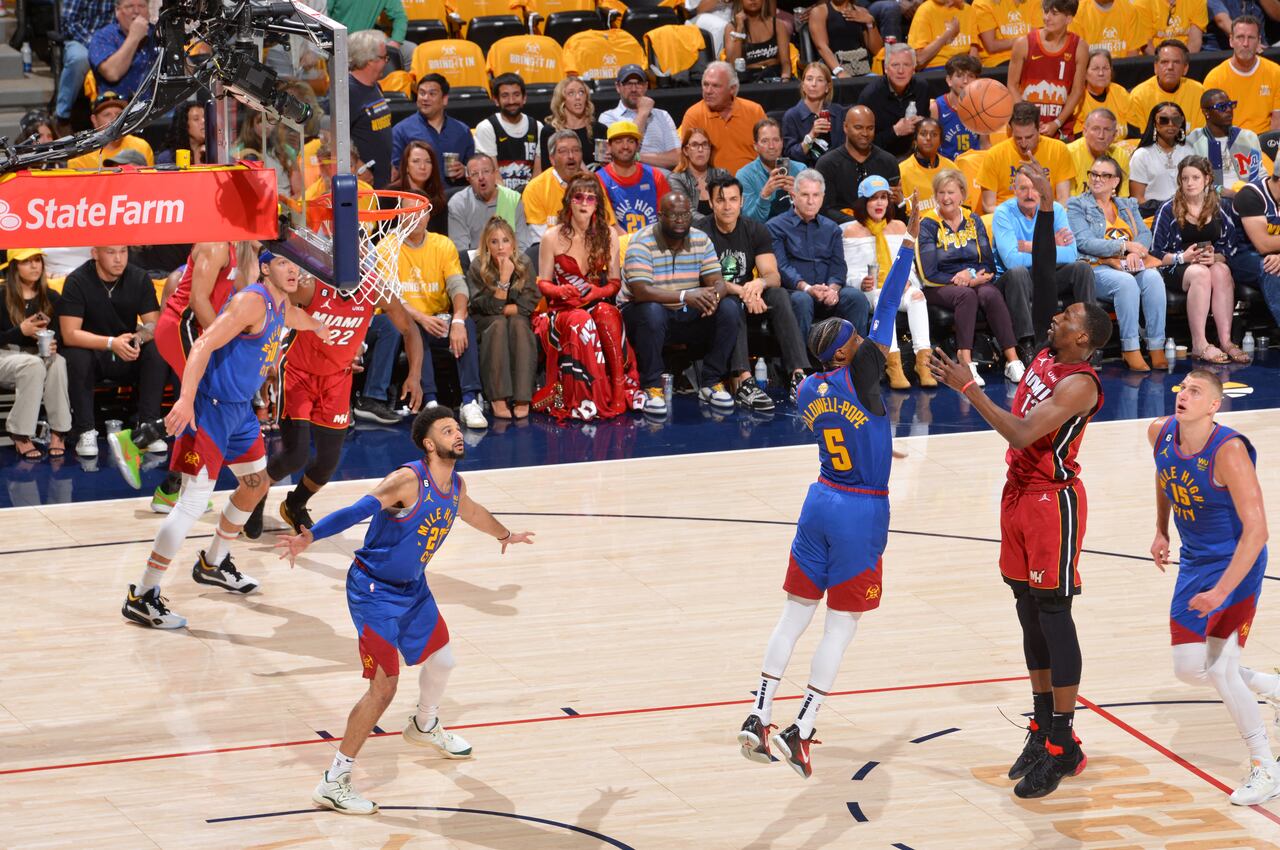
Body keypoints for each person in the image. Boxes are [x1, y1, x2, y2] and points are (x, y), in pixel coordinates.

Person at [930, 173, 1114, 797]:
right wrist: (1042, 202)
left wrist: (969, 386)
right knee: (1026, 609)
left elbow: (1019, 432)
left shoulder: (1079, 383)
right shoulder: (1044, 350)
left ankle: (1065, 741)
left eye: (1067, 314)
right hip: (1016, 497)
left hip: (1052, 503)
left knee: (1055, 615)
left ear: (1082, 337)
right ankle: (1041, 724)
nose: (1055, 313)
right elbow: (1038, 273)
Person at [738, 202, 923, 778]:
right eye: (853, 335)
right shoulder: (863, 369)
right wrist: (908, 247)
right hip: (860, 512)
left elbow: (846, 421)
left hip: (819, 498)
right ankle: (805, 726)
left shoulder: (808, 389)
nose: (860, 332)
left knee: (794, 614)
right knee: (841, 626)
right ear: (847, 351)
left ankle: (757, 714)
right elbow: (887, 304)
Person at [275, 406, 534, 815]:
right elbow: (357, 510)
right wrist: (311, 535)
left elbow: (472, 513)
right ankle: (334, 781)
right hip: (373, 592)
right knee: (384, 687)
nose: (458, 434)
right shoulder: (408, 479)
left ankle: (424, 724)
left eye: (457, 428)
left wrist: (505, 534)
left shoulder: (456, 485)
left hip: (413, 590)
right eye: (448, 430)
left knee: (443, 659)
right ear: (430, 444)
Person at [119, 251, 330, 630]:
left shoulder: (282, 305)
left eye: (294, 264)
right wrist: (185, 399)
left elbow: (295, 318)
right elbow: (201, 346)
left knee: (256, 484)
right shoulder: (251, 301)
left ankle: (213, 562)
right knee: (192, 504)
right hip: (212, 410)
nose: (293, 270)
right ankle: (142, 594)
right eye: (283, 263)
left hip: (241, 413)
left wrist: (320, 326)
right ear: (265, 268)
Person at [1148, 370, 1279, 806]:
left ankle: (1265, 767)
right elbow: (1165, 475)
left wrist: (1223, 592)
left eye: (1195, 391)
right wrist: (1160, 529)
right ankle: (1270, 686)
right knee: (1188, 668)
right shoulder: (1159, 432)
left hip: (1238, 566)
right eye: (1182, 388)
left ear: (1213, 406)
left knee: (1222, 669)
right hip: (1195, 565)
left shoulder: (1230, 452)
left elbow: (1258, 531)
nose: (1184, 395)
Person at [237, 271, 425, 540]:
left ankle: (295, 504)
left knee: (327, 462)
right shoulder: (312, 286)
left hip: (337, 378)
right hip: (298, 373)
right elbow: (274, 306)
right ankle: (256, 494)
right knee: (296, 454)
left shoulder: (374, 289)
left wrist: (415, 376)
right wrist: (269, 356)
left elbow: (409, 328)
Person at [534, 175, 644, 419]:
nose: (584, 202)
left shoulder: (609, 235)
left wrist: (598, 292)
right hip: (560, 311)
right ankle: (582, 397)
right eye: (578, 197)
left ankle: (618, 389)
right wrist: (559, 290)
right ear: (568, 201)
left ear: (597, 204)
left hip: (595, 304)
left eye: (590, 198)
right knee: (580, 320)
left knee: (608, 313)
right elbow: (543, 283)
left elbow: (615, 283)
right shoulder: (551, 237)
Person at [620, 191, 741, 414]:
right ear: (660, 216)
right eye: (673, 215)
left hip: (684, 313)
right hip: (642, 315)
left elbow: (718, 282)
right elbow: (641, 291)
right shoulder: (641, 242)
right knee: (652, 311)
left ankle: (711, 381)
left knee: (730, 308)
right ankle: (652, 386)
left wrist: (713, 298)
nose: (680, 220)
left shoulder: (700, 239)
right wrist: (687, 295)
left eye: (685, 215)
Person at [696, 174, 799, 409]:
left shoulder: (755, 230)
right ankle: (743, 379)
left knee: (780, 294)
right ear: (710, 203)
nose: (727, 206)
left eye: (733, 199)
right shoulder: (700, 232)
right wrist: (743, 291)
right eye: (720, 200)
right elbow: (709, 281)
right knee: (731, 302)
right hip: (715, 301)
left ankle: (797, 375)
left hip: (749, 296)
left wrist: (759, 284)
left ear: (742, 201)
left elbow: (773, 276)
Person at [58, 245, 167, 459]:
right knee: (76, 354)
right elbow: (69, 333)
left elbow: (154, 325)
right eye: (110, 253)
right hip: (93, 353)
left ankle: (147, 428)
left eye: (123, 252)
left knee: (157, 348)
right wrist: (110, 343)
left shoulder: (139, 277)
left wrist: (137, 338)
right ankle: (85, 430)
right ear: (95, 253)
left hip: (125, 351)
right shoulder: (77, 280)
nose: (119, 259)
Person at [390, 196, 489, 429]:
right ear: (400, 216)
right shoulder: (388, 246)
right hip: (405, 321)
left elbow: (457, 285)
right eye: (410, 212)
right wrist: (422, 318)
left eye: (421, 212)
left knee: (467, 324)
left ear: (428, 215)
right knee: (414, 329)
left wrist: (457, 320)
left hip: (437, 318)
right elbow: (389, 297)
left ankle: (469, 401)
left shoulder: (443, 244)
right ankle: (431, 403)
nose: (416, 218)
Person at [918, 169, 1024, 385]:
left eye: (951, 192)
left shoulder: (974, 220)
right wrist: (960, 278)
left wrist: (972, 277)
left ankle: (1012, 361)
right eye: (940, 193)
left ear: (962, 194)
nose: (946, 198)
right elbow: (928, 273)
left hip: (973, 280)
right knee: (966, 296)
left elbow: (987, 263)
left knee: (990, 293)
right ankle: (966, 364)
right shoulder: (927, 224)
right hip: (938, 284)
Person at [1067, 154, 1170, 370]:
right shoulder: (1078, 205)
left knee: (1153, 278)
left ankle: (1156, 346)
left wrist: (1136, 252)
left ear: (1115, 182)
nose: (1097, 179)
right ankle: (1130, 348)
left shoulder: (1127, 204)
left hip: (1127, 264)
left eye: (1104, 175)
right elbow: (1084, 242)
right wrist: (1124, 247)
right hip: (1095, 267)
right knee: (1126, 283)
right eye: (1094, 174)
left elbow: (1144, 234)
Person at [1150, 155, 1247, 363]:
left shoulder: (1220, 207)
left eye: (1195, 177)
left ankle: (1226, 341)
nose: (1190, 183)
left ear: (1207, 179)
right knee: (1201, 273)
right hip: (1173, 267)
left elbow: (1229, 247)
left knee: (1221, 271)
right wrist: (1182, 257)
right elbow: (1155, 253)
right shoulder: (1168, 209)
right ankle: (1199, 343)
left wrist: (1216, 257)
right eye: (1185, 178)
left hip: (1207, 264)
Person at [845, 176, 936, 388]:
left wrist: (909, 281)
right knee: (882, 299)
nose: (880, 203)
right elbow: (849, 273)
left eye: (884, 198)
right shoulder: (852, 231)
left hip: (896, 287)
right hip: (871, 291)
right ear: (863, 202)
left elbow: (910, 266)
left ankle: (923, 363)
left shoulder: (898, 226)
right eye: (873, 198)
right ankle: (893, 365)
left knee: (917, 296)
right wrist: (861, 282)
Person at [994, 166, 1095, 355]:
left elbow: (1071, 254)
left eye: (1034, 188)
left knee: (1082, 269)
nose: (1030, 194)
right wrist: (1050, 245)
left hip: (1047, 273)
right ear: (1014, 190)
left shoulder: (1055, 209)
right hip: (1019, 281)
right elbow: (1012, 260)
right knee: (1018, 273)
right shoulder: (1003, 213)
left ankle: (1087, 337)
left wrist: (1029, 246)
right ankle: (1027, 345)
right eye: (1023, 188)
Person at [770, 169, 872, 343]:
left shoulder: (831, 228)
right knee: (802, 301)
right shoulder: (776, 226)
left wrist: (832, 290)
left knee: (857, 298)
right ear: (793, 196)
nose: (811, 201)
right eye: (805, 195)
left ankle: (855, 364)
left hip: (827, 293)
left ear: (823, 197)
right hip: (796, 292)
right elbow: (782, 267)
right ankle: (803, 366)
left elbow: (839, 266)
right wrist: (808, 288)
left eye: (816, 195)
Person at [0, 248, 70, 460]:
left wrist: (53, 343)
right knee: (32, 364)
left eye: (37, 260)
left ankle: (59, 431)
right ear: (14, 267)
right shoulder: (1, 295)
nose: (34, 266)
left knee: (58, 361)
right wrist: (19, 332)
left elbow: (64, 335)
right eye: (26, 261)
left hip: (35, 356)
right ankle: (20, 433)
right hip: (4, 355)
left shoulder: (51, 297)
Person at [469, 218, 541, 420]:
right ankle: (498, 398)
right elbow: (482, 307)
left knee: (518, 323)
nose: (501, 247)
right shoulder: (477, 266)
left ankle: (522, 397)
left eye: (505, 240)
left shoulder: (524, 263)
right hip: (485, 323)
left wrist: (501, 307)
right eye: (494, 242)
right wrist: (503, 280)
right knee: (499, 324)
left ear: (513, 243)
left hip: (513, 318)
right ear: (486, 245)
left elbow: (528, 304)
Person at [1008, 0, 1087, 139]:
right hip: (1025, 127)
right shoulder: (1023, 43)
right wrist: (1028, 119)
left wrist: (1057, 123)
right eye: (1045, 11)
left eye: (1054, 13)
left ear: (1068, 18)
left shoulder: (1080, 47)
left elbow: (1077, 91)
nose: (1047, 17)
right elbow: (1012, 85)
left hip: (1060, 127)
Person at [978, 102, 1075, 210]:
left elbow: (1063, 199)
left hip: (1045, 215)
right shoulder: (994, 155)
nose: (1024, 144)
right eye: (1018, 138)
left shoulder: (1058, 150)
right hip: (1008, 218)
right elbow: (988, 206)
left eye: (1029, 137)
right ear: (1011, 130)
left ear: (1039, 128)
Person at [523, 130, 613, 243]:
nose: (571, 156)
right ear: (552, 159)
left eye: (576, 150)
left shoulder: (594, 184)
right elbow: (540, 241)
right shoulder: (535, 188)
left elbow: (607, 228)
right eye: (563, 151)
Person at [679, 62, 768, 176]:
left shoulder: (754, 111)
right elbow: (688, 160)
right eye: (705, 84)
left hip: (752, 183)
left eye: (715, 86)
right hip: (712, 185)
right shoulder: (694, 115)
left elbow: (769, 151)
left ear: (732, 89)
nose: (708, 91)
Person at [816, 106, 901, 224]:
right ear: (845, 127)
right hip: (842, 234)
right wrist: (861, 224)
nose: (865, 133)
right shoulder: (827, 164)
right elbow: (825, 209)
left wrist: (900, 203)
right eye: (858, 127)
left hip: (883, 232)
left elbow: (896, 211)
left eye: (870, 128)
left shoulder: (889, 162)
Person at [390, 74, 474, 190]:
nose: (425, 98)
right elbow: (396, 172)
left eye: (432, 94)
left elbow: (473, 167)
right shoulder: (401, 130)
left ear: (444, 99)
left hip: (455, 197)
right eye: (422, 93)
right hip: (418, 199)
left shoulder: (462, 131)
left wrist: (464, 170)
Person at [1203, 15, 1280, 135]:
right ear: (1231, 40)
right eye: (1240, 37)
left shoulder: (1275, 72)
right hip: (1230, 143)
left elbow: (1277, 121)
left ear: (1259, 41)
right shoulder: (1215, 78)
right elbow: (1213, 125)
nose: (1245, 43)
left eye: (1251, 37)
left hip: (1265, 144)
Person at [448, 154, 534, 258]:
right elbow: (461, 252)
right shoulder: (458, 203)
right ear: (469, 179)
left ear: (495, 173)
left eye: (486, 171)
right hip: (474, 267)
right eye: (475, 174)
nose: (481, 177)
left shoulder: (513, 199)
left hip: (510, 263)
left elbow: (522, 245)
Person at [856, 44, 933, 158]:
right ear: (886, 69)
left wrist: (922, 125)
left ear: (914, 69)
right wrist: (895, 131)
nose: (901, 71)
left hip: (914, 156)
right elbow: (862, 144)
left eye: (906, 65)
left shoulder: (922, 88)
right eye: (895, 65)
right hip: (880, 158)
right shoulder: (870, 96)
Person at [599, 65, 681, 171]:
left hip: (663, 178)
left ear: (646, 86)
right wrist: (642, 113)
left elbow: (677, 158)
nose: (634, 89)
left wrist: (637, 157)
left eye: (638, 83)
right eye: (628, 84)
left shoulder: (663, 115)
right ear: (618, 87)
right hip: (626, 178)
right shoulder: (608, 117)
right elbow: (613, 157)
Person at [1186, 89, 1263, 197]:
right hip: (1210, 201)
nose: (1228, 110)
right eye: (1222, 107)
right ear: (1206, 112)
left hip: (1249, 198)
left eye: (1230, 105)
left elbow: (1260, 173)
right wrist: (1224, 192)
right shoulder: (1193, 141)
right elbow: (1190, 181)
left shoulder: (1248, 137)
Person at [474, 73, 544, 194]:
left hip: (530, 195)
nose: (511, 101)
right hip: (498, 195)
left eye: (516, 95)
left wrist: (528, 198)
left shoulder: (538, 127)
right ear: (496, 100)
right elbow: (493, 175)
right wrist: (512, 202)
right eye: (505, 96)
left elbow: (538, 175)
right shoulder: (486, 128)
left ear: (524, 98)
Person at [1231, 157, 1280, 326]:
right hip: (1242, 255)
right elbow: (1263, 244)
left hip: (1275, 254)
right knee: (1272, 269)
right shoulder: (1250, 195)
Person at [599, 121, 671, 234]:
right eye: (619, 141)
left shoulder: (655, 176)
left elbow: (667, 217)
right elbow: (608, 225)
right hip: (619, 246)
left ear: (637, 145)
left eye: (630, 141)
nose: (625, 146)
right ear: (609, 146)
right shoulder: (599, 180)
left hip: (655, 243)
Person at [56, 0, 116, 131]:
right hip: (82, 39)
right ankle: (62, 117)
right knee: (79, 59)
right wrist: (95, 45)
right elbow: (69, 23)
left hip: (112, 41)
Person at [345, 30, 394, 188]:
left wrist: (389, 164)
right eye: (383, 57)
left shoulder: (375, 86)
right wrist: (358, 166)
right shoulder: (347, 90)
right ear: (368, 59)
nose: (387, 62)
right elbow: (330, 136)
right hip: (363, 182)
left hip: (383, 179)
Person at [1130, 102, 1195, 215]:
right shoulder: (1141, 155)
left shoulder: (1189, 151)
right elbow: (1137, 199)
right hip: (1153, 215)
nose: (1170, 124)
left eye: (1176, 119)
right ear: (1154, 123)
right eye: (1164, 119)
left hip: (1187, 214)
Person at [1130, 39, 1206, 134]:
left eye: (1176, 62)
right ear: (1156, 67)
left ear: (1185, 68)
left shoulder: (1198, 91)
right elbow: (1141, 140)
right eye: (1164, 62)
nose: (1170, 67)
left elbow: (1201, 136)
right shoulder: (1139, 96)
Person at [88, 0, 159, 101]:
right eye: (129, 6)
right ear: (117, 11)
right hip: (119, 110)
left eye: (142, 6)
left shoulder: (158, 33)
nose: (136, 11)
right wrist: (134, 37)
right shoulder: (103, 37)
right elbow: (112, 73)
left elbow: (187, 72)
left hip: (162, 111)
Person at [737, 118, 803, 224]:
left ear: (782, 142)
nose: (771, 146)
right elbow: (750, 222)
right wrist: (765, 195)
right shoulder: (744, 175)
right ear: (755, 146)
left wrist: (799, 196)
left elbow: (811, 214)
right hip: (763, 236)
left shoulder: (800, 170)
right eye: (765, 141)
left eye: (776, 140)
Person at [66, 91, 154, 169]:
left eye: (119, 114)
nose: (114, 118)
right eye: (107, 114)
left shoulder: (142, 147)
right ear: (94, 120)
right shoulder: (81, 155)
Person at [783, 63, 849, 166]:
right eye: (809, 79)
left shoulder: (838, 112)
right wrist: (811, 136)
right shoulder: (792, 116)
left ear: (827, 87)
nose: (813, 84)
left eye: (820, 80)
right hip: (806, 174)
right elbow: (791, 156)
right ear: (803, 85)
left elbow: (846, 149)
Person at [539, 77, 608, 171]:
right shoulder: (550, 132)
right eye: (571, 93)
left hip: (597, 183)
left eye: (581, 92)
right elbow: (548, 170)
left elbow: (607, 169)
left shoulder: (599, 129)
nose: (578, 97)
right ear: (562, 100)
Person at [669, 127, 735, 218]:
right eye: (695, 145)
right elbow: (687, 212)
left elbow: (733, 205)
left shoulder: (722, 174)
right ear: (686, 150)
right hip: (693, 230)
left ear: (710, 149)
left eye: (705, 144)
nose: (700, 149)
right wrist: (716, 225)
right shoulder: (676, 179)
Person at [1072, 49, 1137, 139]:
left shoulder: (1119, 92)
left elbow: (1135, 130)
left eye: (1106, 68)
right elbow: (1079, 140)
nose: (1101, 73)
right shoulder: (1078, 99)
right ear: (1085, 73)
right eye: (1095, 69)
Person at [809, 0, 881, 79]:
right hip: (832, 73)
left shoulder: (862, 12)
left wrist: (870, 22)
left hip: (861, 70)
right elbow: (821, 46)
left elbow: (876, 50)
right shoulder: (820, 11)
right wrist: (839, 71)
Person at [724, 0, 793, 83]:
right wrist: (739, 29)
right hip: (747, 80)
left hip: (776, 76)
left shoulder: (778, 25)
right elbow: (733, 65)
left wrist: (785, 79)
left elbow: (785, 62)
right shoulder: (732, 28)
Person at [932, 54, 986, 159]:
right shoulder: (936, 108)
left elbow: (985, 144)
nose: (965, 81)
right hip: (947, 170)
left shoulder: (981, 107)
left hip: (974, 166)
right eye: (959, 75)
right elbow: (932, 148)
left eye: (970, 76)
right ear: (949, 80)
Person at [1067, 108, 1132, 196]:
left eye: (1107, 130)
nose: (1101, 135)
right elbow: (1067, 201)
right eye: (1096, 129)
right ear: (1085, 131)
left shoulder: (1120, 156)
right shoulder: (1069, 153)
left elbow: (1122, 199)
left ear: (1114, 135)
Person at [899, 117, 957, 214]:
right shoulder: (902, 171)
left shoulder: (952, 169)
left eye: (934, 134)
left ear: (941, 141)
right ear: (915, 140)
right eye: (923, 134)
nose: (928, 138)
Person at [390, 141, 448, 235]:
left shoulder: (439, 199)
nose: (422, 167)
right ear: (406, 166)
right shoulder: (389, 195)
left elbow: (442, 237)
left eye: (428, 162)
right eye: (416, 161)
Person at [1069, 0, 1154, 57]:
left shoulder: (1129, 10)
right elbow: (1077, 56)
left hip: (1124, 72)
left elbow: (1133, 54)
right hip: (1091, 74)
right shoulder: (1078, 12)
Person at [910, 0, 980, 69]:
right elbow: (919, 59)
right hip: (935, 70)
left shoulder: (968, 10)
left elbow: (974, 54)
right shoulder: (925, 10)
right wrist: (948, 33)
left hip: (964, 70)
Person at [974, 0, 1043, 67]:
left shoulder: (1035, 1)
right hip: (999, 61)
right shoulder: (983, 3)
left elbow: (1036, 39)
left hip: (1030, 56)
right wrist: (1025, 40)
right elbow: (992, 46)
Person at [1140, 0, 1207, 50]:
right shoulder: (1143, 3)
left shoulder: (1197, 1)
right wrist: (1160, 64)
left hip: (1185, 58)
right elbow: (1146, 45)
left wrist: (1183, 64)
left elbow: (1195, 41)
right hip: (1153, 60)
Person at [155, 101, 206, 165]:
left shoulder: (217, 153)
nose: (204, 121)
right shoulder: (167, 158)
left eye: (205, 117)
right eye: (196, 119)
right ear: (184, 124)